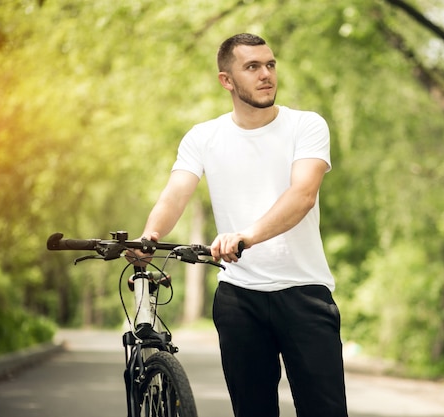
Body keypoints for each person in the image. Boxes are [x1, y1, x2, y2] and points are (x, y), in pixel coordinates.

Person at [131, 33, 348, 417]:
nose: (266, 74)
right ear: (226, 80)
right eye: (252, 67)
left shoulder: (306, 126)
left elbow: (303, 196)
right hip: (238, 297)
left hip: (305, 293)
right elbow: (176, 194)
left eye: (270, 65)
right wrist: (151, 235)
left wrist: (246, 236)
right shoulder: (204, 136)